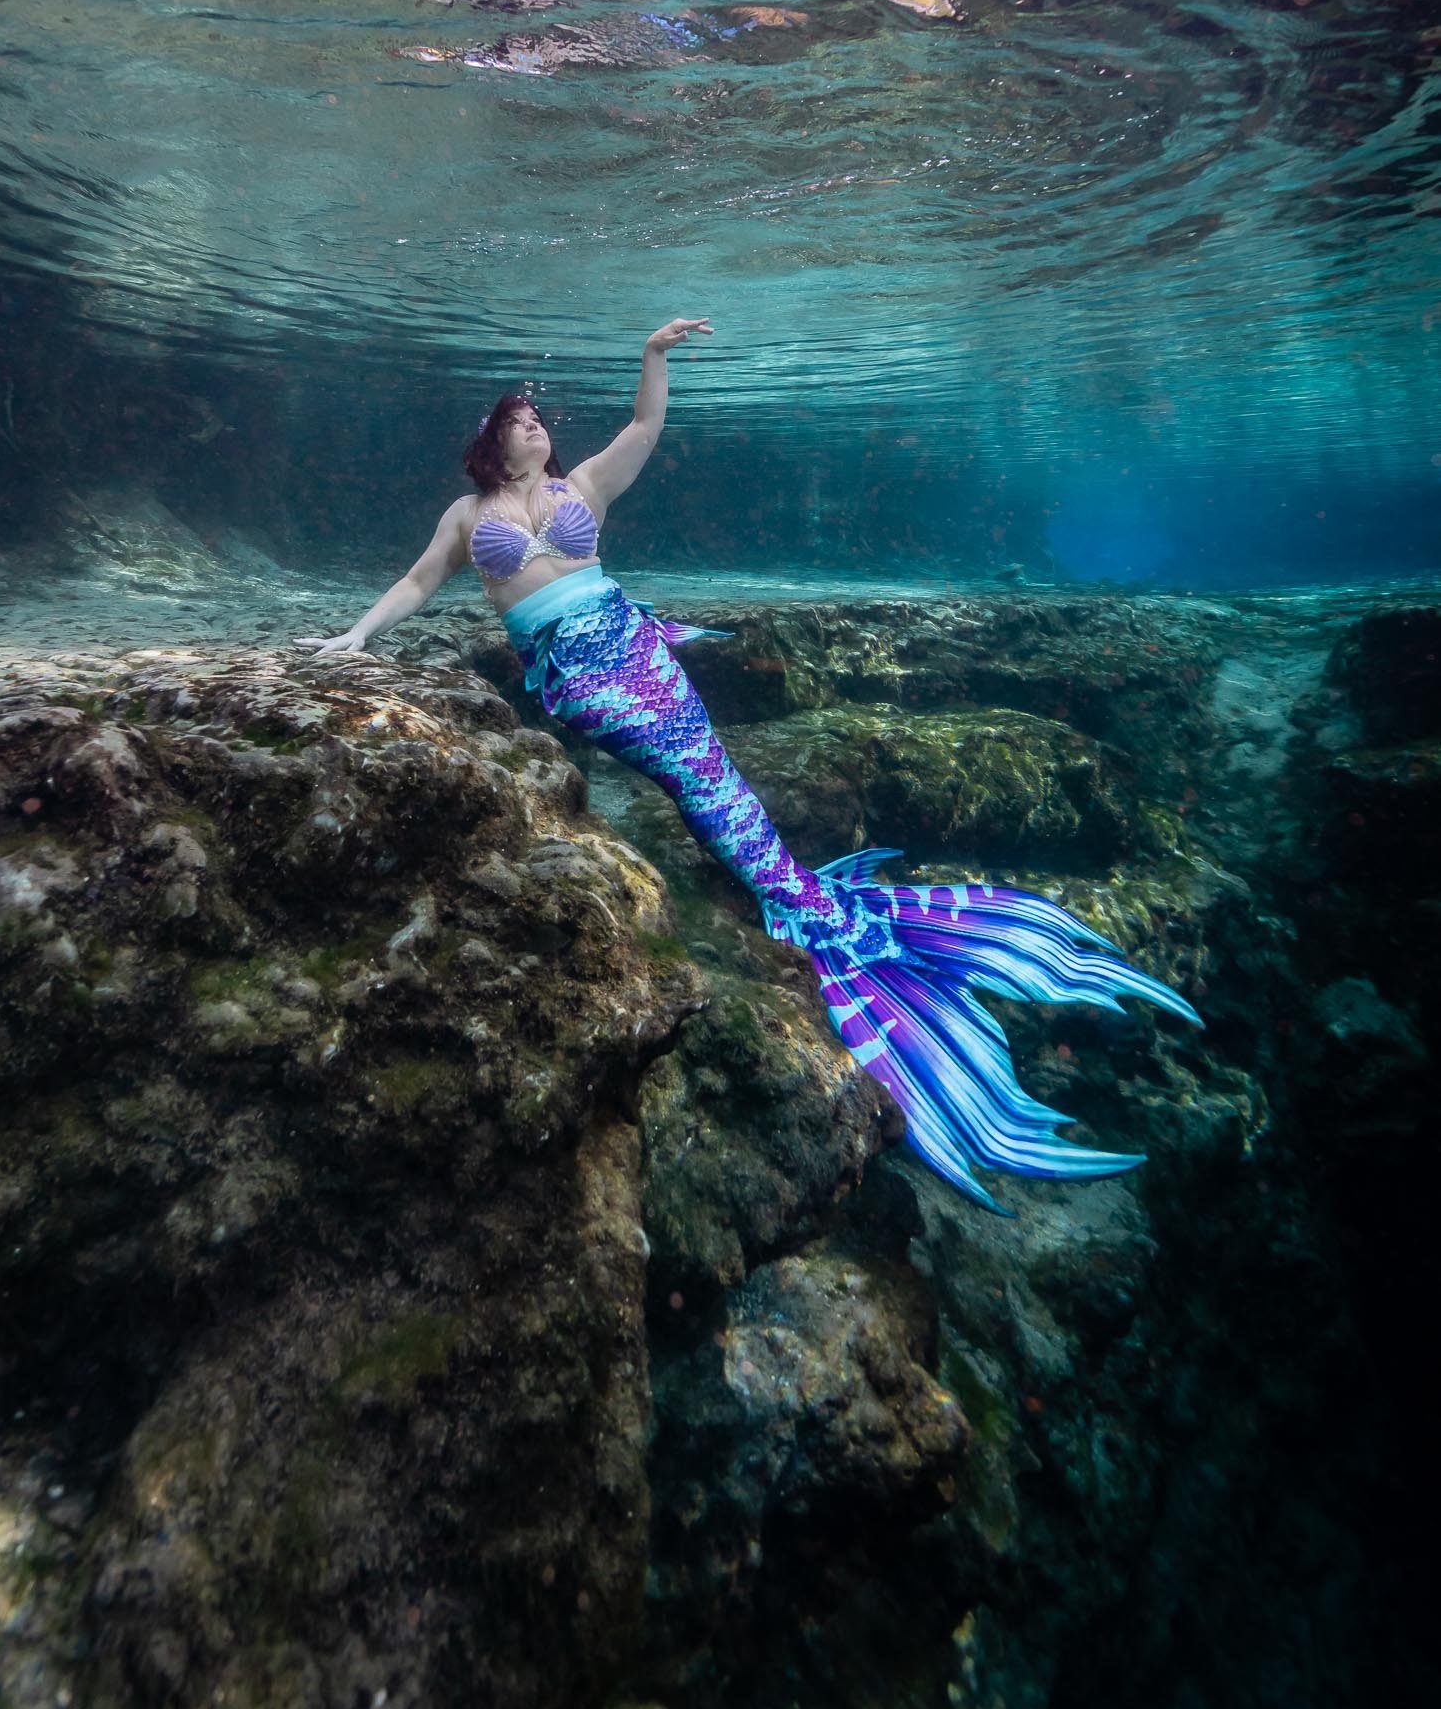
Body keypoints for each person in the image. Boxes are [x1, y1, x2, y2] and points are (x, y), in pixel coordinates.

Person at [296, 320, 1200, 1209]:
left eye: (541, 418)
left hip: (629, 641)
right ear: (494, 436)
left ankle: (801, 904)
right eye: (522, 417)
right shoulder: (467, 516)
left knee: (708, 775)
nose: (537, 424)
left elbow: (645, 429)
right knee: (684, 770)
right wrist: (356, 636)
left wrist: (650, 355)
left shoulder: (584, 486)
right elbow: (420, 582)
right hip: (574, 675)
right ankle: (796, 900)